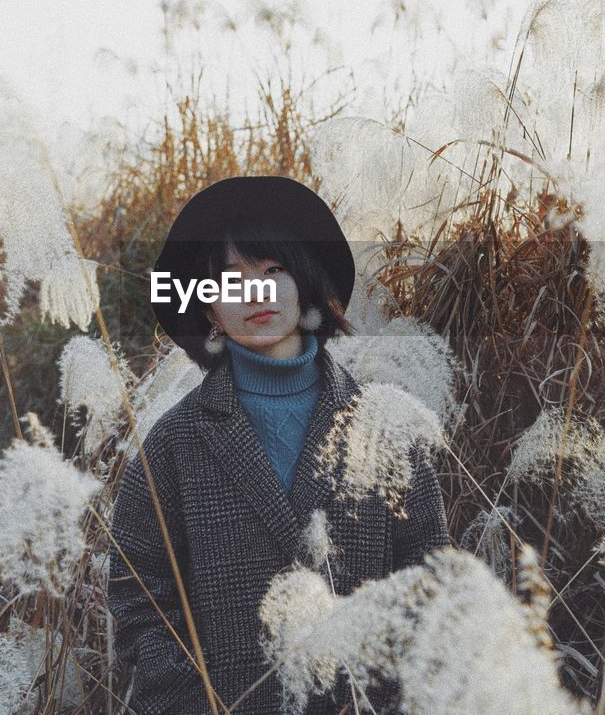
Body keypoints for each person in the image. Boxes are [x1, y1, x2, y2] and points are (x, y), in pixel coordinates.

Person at [105, 176, 451, 714]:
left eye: (273, 271)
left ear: (305, 284)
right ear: (209, 310)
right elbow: (138, 599)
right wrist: (192, 703)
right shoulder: (175, 445)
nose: (257, 293)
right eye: (232, 280)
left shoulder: (384, 428)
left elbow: (428, 580)